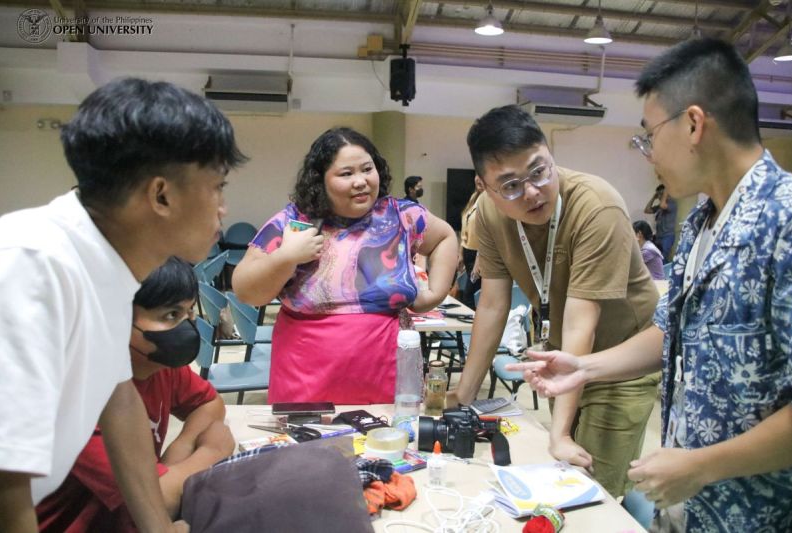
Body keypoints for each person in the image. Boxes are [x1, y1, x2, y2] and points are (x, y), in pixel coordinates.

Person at [511, 37, 792, 532]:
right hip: (690, 506)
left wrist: (704, 465)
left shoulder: (787, 221)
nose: (647, 153)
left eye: (648, 135)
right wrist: (584, 367)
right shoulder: (701, 222)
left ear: (693, 124)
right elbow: (668, 333)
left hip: (759, 513)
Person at [0, 78, 246, 532]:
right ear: (161, 195)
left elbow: (120, 405)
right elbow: (6, 483)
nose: (223, 208)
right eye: (216, 187)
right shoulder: (33, 266)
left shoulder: (108, 268)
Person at [450, 104, 660, 498]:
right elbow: (492, 307)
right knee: (566, 475)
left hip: (622, 365)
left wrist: (559, 433)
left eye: (539, 171)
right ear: (485, 187)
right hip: (563, 358)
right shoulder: (490, 218)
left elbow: (583, 324)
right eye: (510, 185)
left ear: (550, 154)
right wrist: (462, 397)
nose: (531, 192)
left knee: (586, 488)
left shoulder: (595, 207)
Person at [233, 128, 457, 404]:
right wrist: (286, 257)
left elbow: (445, 236)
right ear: (321, 180)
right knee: (309, 446)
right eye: (346, 174)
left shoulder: (400, 215)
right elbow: (245, 289)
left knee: (386, 444)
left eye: (367, 169)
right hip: (305, 379)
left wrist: (434, 294)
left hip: (388, 374)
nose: (361, 181)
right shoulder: (295, 221)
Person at [36, 257, 235, 531]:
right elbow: (158, 501)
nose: (185, 328)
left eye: (189, 313)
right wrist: (211, 451)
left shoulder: (158, 364)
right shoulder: (79, 397)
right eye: (170, 315)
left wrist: (181, 449)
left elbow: (209, 403)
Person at [459, 183, 483, 309]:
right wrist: (461, 254)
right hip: (468, 253)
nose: (479, 179)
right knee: (468, 295)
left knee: (470, 297)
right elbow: (465, 230)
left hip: (479, 256)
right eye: (477, 175)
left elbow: (486, 235)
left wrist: (478, 261)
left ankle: (475, 328)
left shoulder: (489, 200)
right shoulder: (474, 197)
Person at [644, 183, 677, 258]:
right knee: (658, 258)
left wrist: (666, 191)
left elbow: (663, 205)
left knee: (663, 258)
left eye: (661, 194)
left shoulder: (672, 203)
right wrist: (653, 197)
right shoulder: (659, 206)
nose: (659, 196)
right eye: (658, 195)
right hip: (658, 237)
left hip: (667, 236)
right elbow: (647, 210)